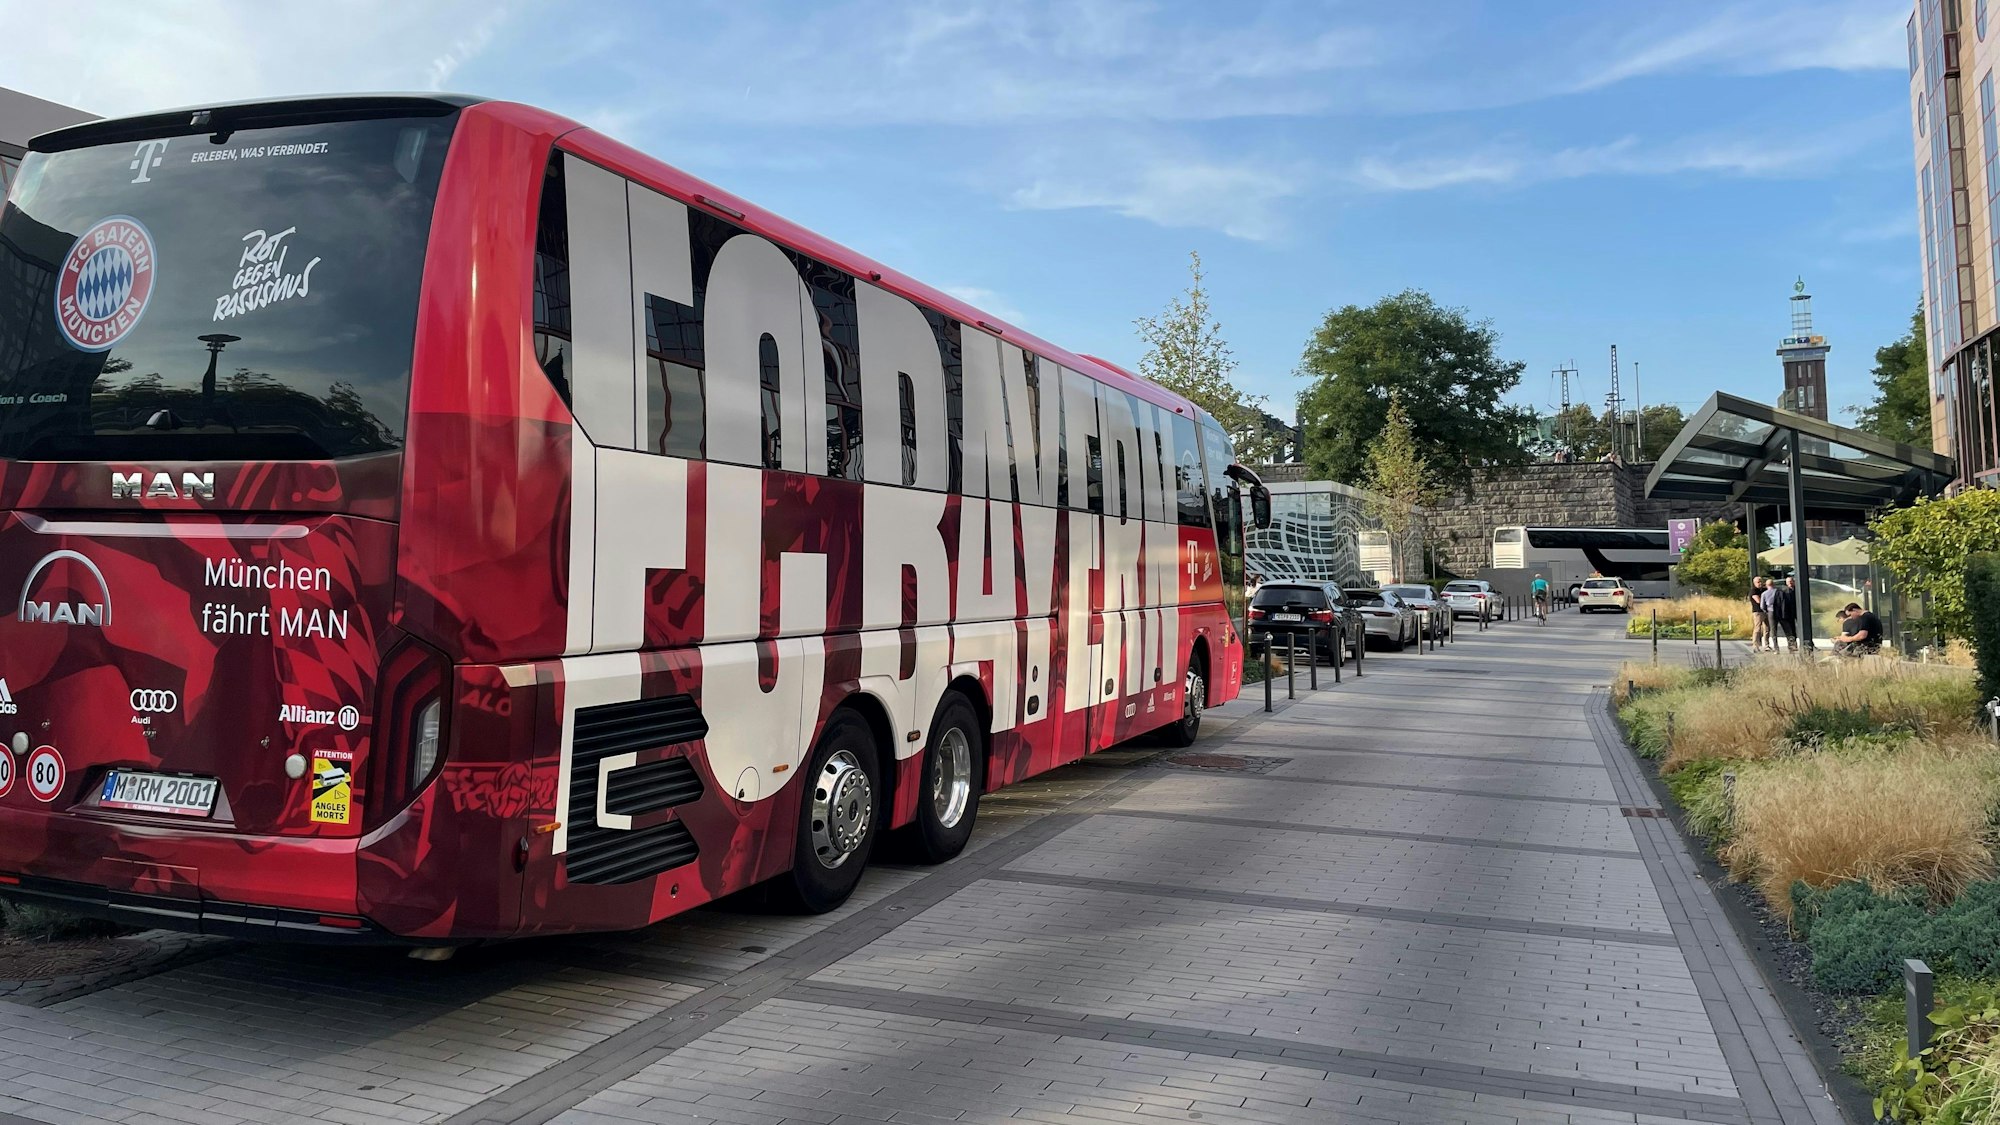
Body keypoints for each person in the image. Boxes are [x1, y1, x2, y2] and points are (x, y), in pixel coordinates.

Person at [1769, 576, 1798, 653]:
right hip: (1787, 613)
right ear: (1786, 583)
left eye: (1791, 581)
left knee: (1792, 630)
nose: (1790, 583)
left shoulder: (1797, 590)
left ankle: (1793, 645)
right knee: (1789, 630)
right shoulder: (1784, 591)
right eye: (1788, 582)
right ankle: (1791, 646)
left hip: (1794, 612)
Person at [1749, 577, 1769, 652]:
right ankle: (1755, 645)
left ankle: (1766, 645)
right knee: (1757, 629)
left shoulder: (1764, 590)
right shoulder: (1753, 591)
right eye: (1758, 582)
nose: (1760, 583)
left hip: (1766, 611)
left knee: (1767, 628)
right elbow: (1758, 601)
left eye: (1761, 581)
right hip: (1758, 612)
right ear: (1754, 583)